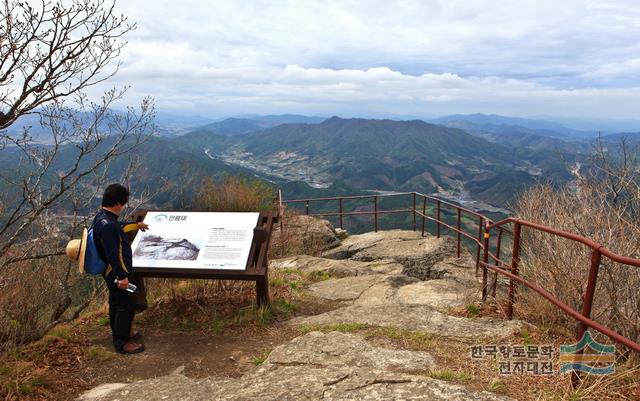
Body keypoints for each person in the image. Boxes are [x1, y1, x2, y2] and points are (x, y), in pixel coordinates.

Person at [93, 183, 149, 354]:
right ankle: (122, 342)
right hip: (117, 274)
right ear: (117, 203)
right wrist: (123, 276)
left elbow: (119, 227)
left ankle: (122, 332)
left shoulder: (102, 218)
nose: (124, 206)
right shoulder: (109, 225)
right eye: (123, 202)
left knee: (116, 303)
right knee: (126, 304)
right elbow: (114, 254)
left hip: (111, 272)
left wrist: (136, 225)